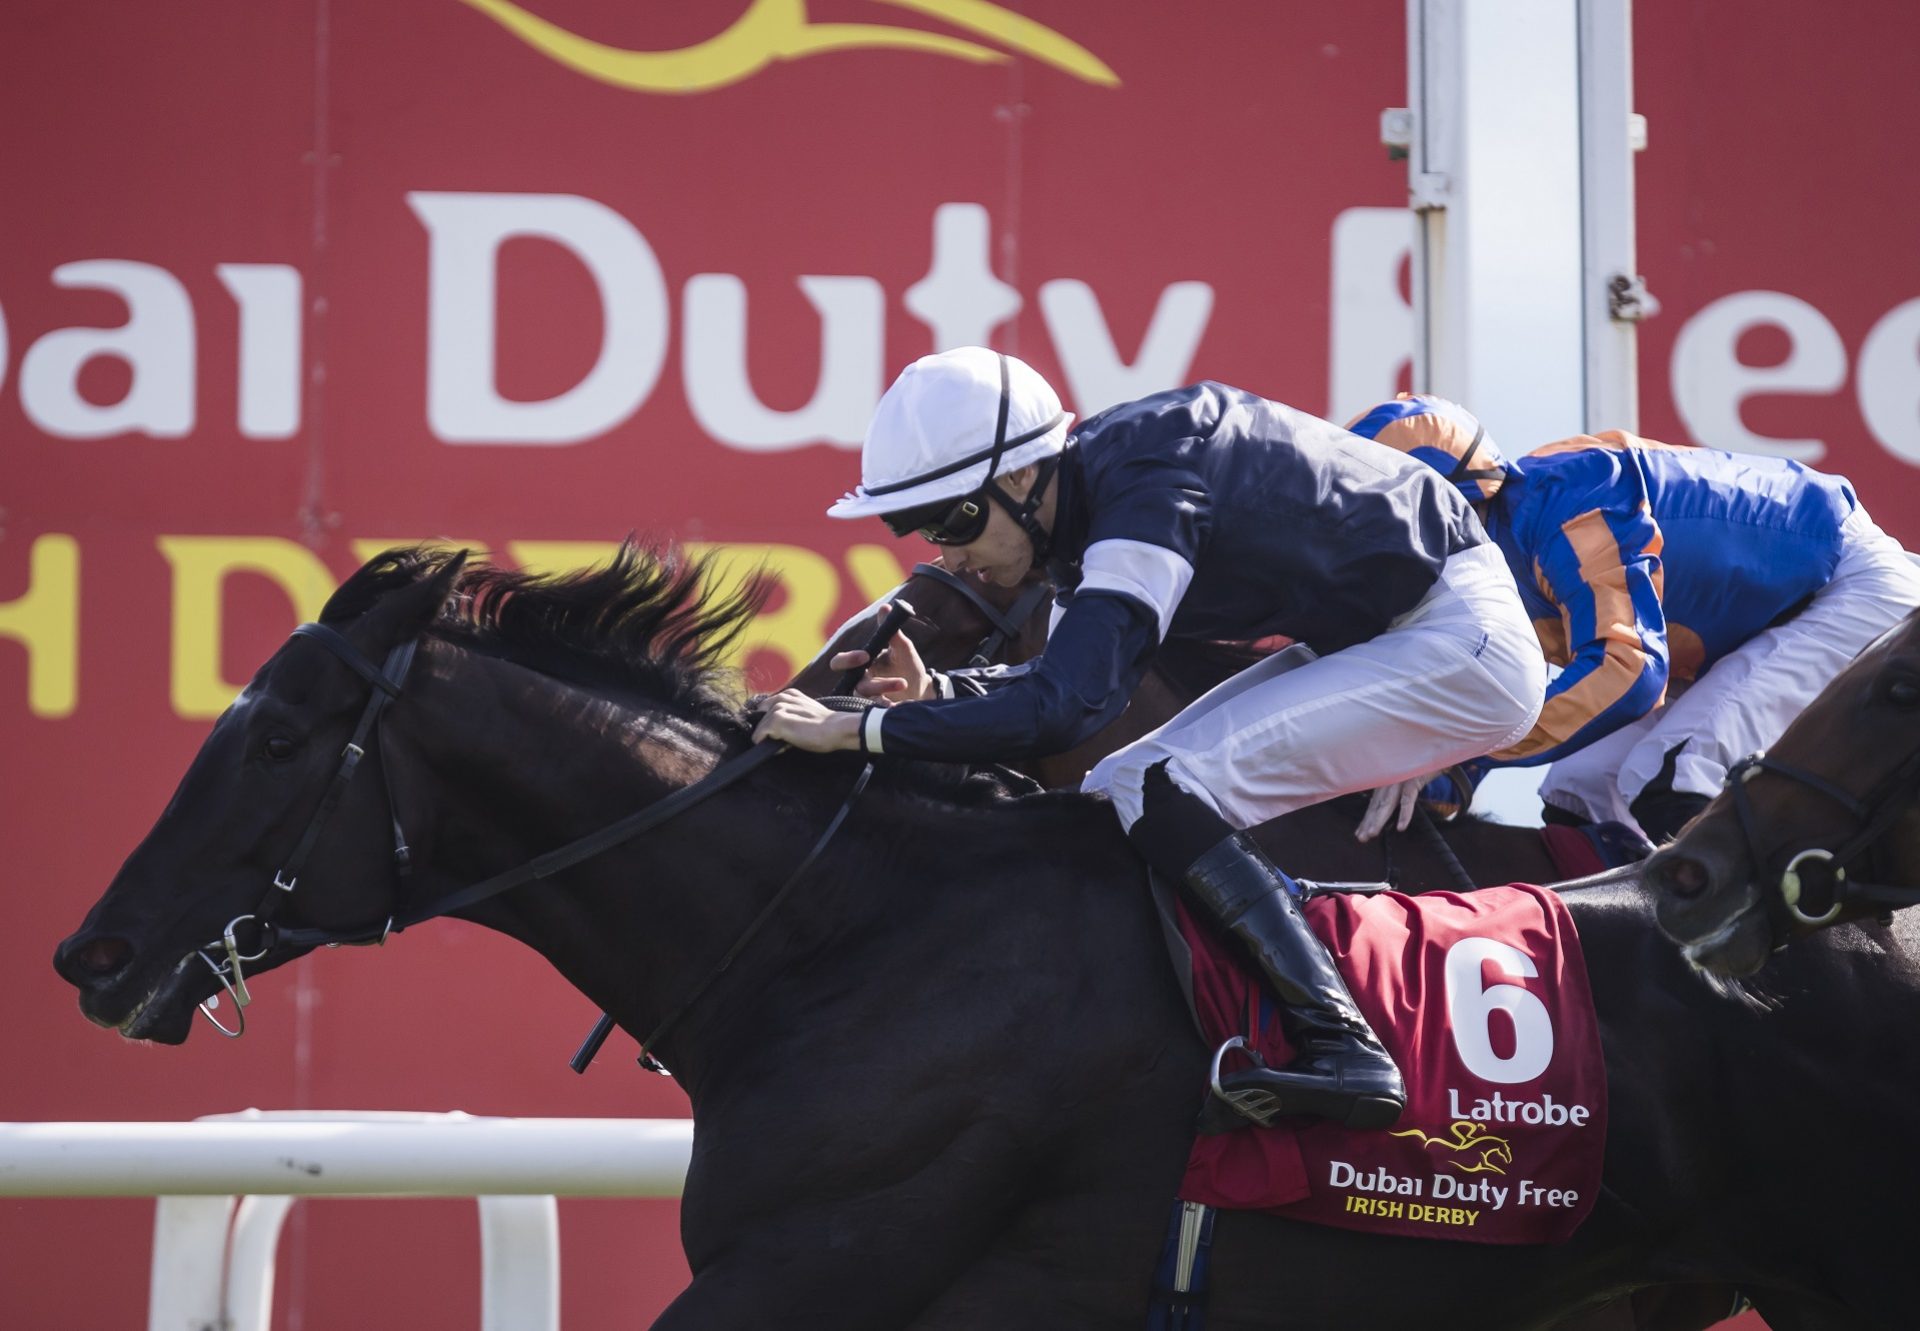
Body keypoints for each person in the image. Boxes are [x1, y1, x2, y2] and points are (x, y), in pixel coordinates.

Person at [754, 347, 1545, 1130]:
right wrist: (939, 693)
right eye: (916, 526)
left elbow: (1070, 708)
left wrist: (862, 730)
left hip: (1458, 637)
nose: (947, 553)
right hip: (1388, 632)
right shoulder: (1087, 511)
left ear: (1024, 477)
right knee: (1121, 788)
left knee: (1169, 786)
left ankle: (1343, 1043)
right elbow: (1060, 687)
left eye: (955, 518)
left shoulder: (1147, 485)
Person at [1347, 393, 1920, 843]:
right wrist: (1447, 777)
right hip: (1759, 623)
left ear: (1451, 506)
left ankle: (1790, 984)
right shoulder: (1495, 553)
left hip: (1849, 587)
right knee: (1580, 793)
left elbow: (1629, 672)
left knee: (1674, 774)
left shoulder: (1565, 514)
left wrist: (1463, 753)